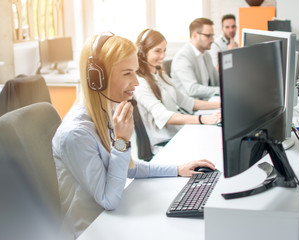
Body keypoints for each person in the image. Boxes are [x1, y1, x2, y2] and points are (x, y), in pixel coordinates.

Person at [51, 32, 216, 237]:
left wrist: (178, 169)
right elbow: (108, 199)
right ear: (97, 78)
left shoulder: (107, 112)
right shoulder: (76, 133)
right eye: (127, 73)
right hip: (93, 229)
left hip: (114, 218)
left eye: (136, 72)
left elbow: (127, 167)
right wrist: (121, 141)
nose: (136, 83)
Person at [134, 29, 221, 155]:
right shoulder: (140, 83)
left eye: (164, 50)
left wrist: (221, 104)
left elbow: (187, 102)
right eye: (157, 51)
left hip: (179, 133)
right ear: (142, 52)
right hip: (166, 144)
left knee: (215, 140)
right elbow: (164, 116)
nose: (163, 56)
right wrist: (203, 119)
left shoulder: (160, 74)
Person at [171, 18, 219, 99]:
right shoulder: (182, 57)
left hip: (208, 100)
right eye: (208, 36)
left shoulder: (206, 55)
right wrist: (219, 90)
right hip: (192, 107)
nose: (212, 40)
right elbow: (192, 89)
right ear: (195, 35)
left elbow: (217, 80)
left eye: (212, 36)